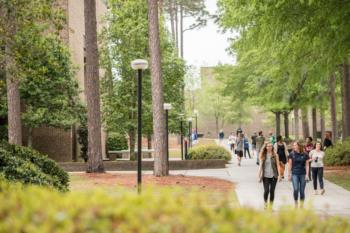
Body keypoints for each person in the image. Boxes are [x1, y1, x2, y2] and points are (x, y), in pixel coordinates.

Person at [258, 142, 281, 209]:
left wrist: (279, 175)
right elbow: (260, 166)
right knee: (266, 190)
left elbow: (278, 165)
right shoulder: (263, 155)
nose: (269, 147)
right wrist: (259, 176)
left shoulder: (275, 155)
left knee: (272, 191)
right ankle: (265, 203)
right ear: (265, 147)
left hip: (274, 176)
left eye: (271, 146)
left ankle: (270, 206)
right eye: (268, 146)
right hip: (265, 176)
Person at [288, 141, 310, 208]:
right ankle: (296, 202)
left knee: (302, 191)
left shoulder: (305, 154)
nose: (294, 146)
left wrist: (307, 175)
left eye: (295, 145)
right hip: (294, 174)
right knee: (296, 189)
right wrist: (289, 174)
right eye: (293, 145)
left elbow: (307, 165)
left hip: (303, 174)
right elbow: (290, 165)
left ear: (299, 146)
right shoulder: (291, 154)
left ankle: (302, 204)